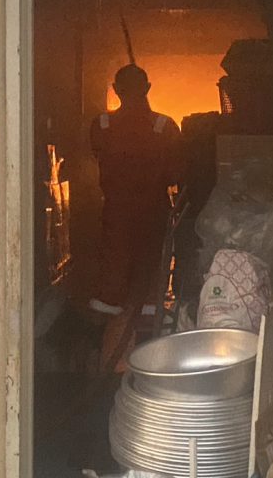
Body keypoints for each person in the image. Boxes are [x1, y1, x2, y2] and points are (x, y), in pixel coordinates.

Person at [89, 65, 182, 364]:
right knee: (150, 285)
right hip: (153, 215)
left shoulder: (101, 124)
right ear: (148, 88)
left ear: (116, 90)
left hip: (116, 214)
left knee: (112, 286)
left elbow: (97, 155)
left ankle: (105, 356)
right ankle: (148, 354)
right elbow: (176, 173)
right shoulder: (165, 127)